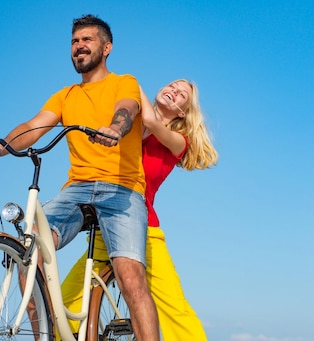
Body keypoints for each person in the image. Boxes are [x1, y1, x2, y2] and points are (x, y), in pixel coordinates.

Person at [0, 14, 160, 341]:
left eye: (87, 40)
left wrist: (115, 129)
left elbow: (127, 110)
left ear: (106, 48)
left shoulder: (124, 82)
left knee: (130, 277)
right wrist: (1, 147)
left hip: (123, 190)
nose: (79, 46)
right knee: (27, 250)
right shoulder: (66, 96)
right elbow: (33, 127)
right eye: (75, 42)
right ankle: (45, 334)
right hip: (76, 191)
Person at [61, 79, 219, 340]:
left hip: (145, 233)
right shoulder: (129, 127)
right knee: (63, 304)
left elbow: (152, 120)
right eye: (172, 86)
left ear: (182, 112)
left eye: (181, 95)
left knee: (175, 311)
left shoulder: (177, 142)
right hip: (105, 229)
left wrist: (131, 84)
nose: (173, 91)